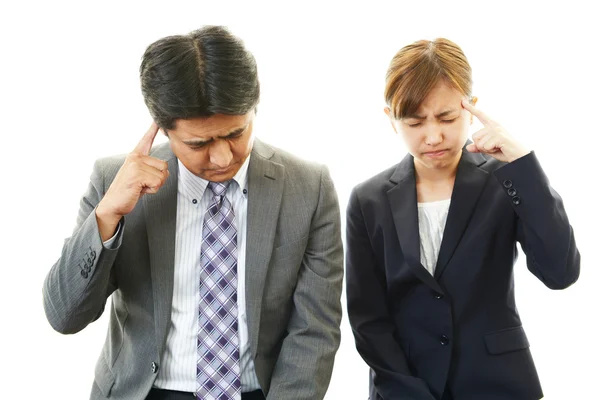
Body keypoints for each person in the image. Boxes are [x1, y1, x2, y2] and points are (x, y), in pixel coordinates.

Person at [43, 25, 343, 400]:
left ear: (255, 107)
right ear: (164, 129)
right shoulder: (114, 181)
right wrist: (107, 215)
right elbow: (65, 316)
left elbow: (315, 329)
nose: (222, 158)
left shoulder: (308, 187)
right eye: (199, 143)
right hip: (146, 392)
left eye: (236, 133)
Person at [345, 38, 580, 400]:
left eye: (447, 117)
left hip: (498, 386)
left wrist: (524, 167)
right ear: (391, 120)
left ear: (471, 108)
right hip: (405, 389)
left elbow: (560, 272)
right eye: (415, 122)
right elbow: (368, 319)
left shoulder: (506, 181)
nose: (433, 136)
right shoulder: (368, 199)